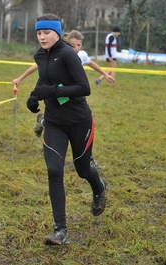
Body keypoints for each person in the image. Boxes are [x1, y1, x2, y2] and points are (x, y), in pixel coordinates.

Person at [26, 13, 107, 245]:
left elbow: (84, 87)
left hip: (79, 121)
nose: (42, 37)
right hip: (53, 122)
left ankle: (99, 187)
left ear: (58, 33)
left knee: (83, 169)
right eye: (39, 33)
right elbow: (44, 79)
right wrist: (34, 97)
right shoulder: (39, 55)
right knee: (54, 171)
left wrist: (50, 92)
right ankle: (60, 229)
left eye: (46, 32)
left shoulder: (69, 55)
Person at [13, 30, 112, 169]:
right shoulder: (59, 54)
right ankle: (44, 121)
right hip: (56, 98)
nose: (76, 48)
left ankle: (88, 159)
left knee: (83, 126)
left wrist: (105, 74)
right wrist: (20, 78)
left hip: (75, 99)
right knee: (58, 118)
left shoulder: (81, 56)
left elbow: (91, 63)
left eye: (79, 45)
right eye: (72, 45)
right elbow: (37, 66)